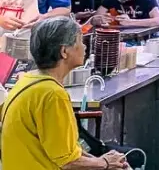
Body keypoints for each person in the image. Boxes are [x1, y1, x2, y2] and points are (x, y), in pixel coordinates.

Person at [0, 17, 129, 169]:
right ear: (64, 51)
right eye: (80, 41)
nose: (84, 47)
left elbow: (65, 150)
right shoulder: (52, 94)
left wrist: (101, 160)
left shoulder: (27, 81)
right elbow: (68, 162)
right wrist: (105, 163)